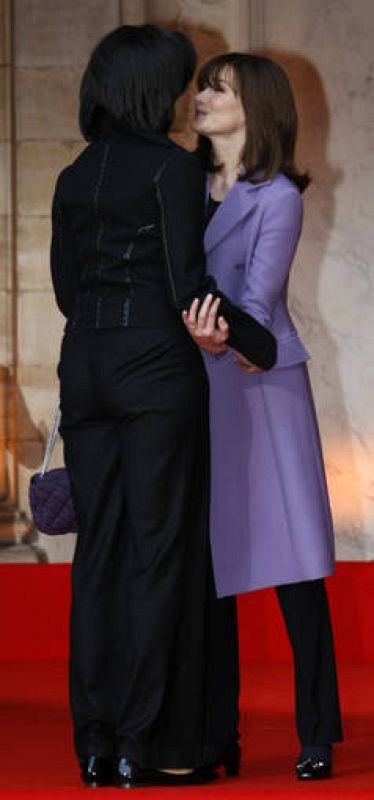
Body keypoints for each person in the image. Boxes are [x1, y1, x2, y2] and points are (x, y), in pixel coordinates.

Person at [50, 28, 276, 789]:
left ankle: (95, 739)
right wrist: (259, 342)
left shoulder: (74, 175)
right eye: (183, 84)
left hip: (84, 372)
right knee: (157, 555)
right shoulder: (173, 171)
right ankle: (140, 742)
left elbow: (64, 294)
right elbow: (188, 286)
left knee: (99, 556)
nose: (188, 96)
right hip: (154, 377)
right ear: (156, 90)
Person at [183, 52, 343, 781]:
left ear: (258, 104)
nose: (202, 96)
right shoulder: (180, 183)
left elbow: (256, 299)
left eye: (218, 87)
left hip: (261, 384)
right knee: (204, 567)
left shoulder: (277, 195)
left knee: (294, 569)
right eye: (202, 86)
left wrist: (218, 334)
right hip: (194, 385)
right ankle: (217, 732)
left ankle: (316, 731)